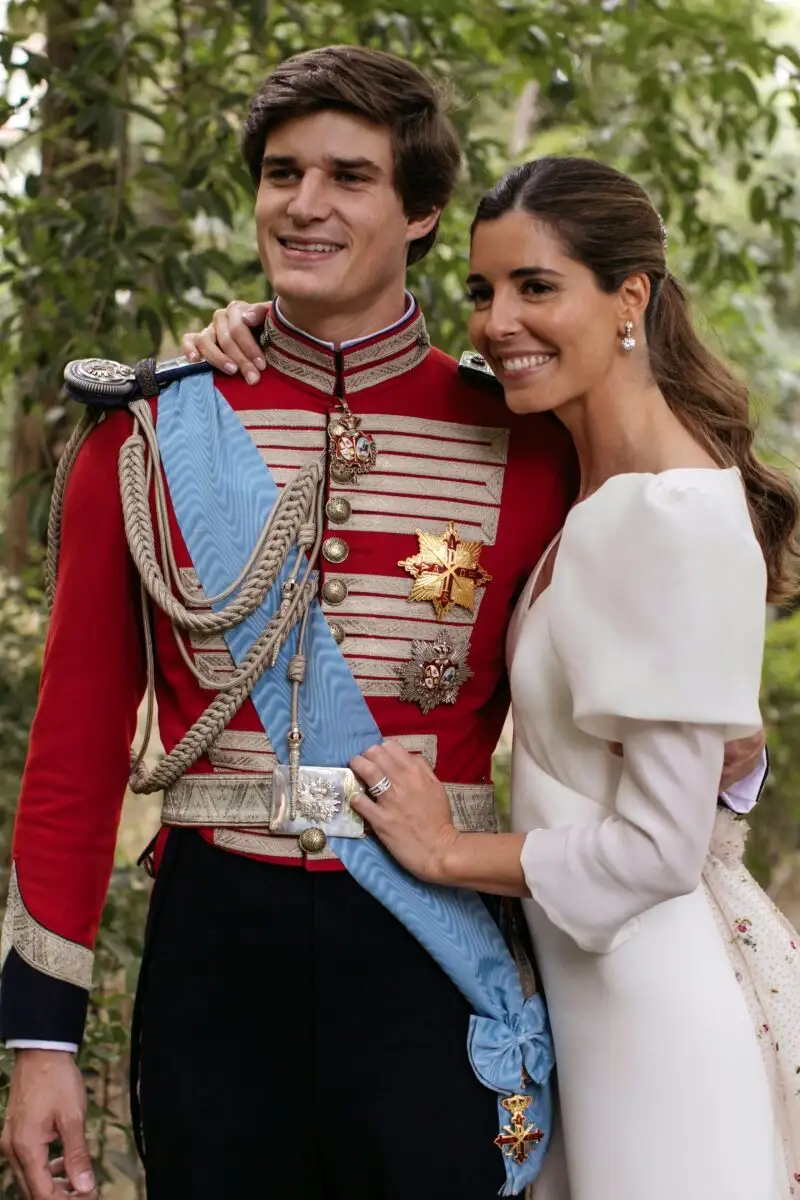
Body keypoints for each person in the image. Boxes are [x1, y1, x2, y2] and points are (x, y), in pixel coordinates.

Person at [0, 44, 764, 1200]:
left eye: (347, 177)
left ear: (420, 215)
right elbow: (72, 753)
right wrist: (41, 1040)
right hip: (216, 961)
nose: (304, 204)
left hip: (431, 961)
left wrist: (725, 759)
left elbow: (655, 631)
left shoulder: (529, 436)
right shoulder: (151, 436)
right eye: (280, 173)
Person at [336, 155, 800, 1200]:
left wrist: (449, 851)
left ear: (628, 296)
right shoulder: (585, 479)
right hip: (585, 1003)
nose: (499, 321)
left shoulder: (664, 511)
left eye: (536, 287)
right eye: (482, 290)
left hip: (651, 1023)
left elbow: (657, 848)